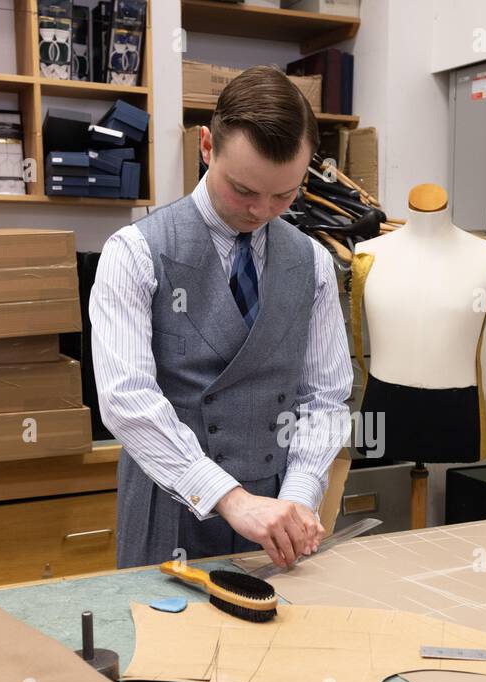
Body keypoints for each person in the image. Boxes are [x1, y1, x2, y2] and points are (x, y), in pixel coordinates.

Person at [91, 66, 353, 570]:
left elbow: (324, 396)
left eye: (284, 195)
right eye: (243, 190)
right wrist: (231, 500)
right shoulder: (135, 252)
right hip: (169, 514)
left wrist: (298, 496)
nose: (261, 210)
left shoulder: (313, 262)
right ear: (207, 147)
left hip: (274, 521)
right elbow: (127, 400)